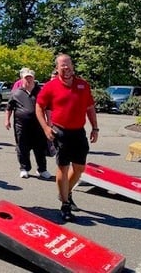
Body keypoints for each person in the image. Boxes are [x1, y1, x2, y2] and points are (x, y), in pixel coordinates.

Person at [36, 54, 99, 222]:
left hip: (79, 132)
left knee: (79, 168)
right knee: (63, 167)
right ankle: (65, 204)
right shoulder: (50, 86)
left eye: (68, 65)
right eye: (62, 66)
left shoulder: (83, 85)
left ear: (72, 66)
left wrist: (95, 127)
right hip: (60, 132)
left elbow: (90, 107)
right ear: (57, 68)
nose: (66, 68)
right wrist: (45, 127)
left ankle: (65, 191)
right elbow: (39, 107)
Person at [5, 68, 51, 179]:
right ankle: (24, 168)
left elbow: (48, 108)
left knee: (40, 148)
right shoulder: (17, 93)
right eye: (26, 78)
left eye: (30, 78)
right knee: (22, 147)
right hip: (21, 126)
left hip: (38, 126)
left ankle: (42, 169)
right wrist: (7, 120)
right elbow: (9, 107)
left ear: (34, 79)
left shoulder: (40, 91)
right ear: (22, 80)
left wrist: (49, 121)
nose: (28, 80)